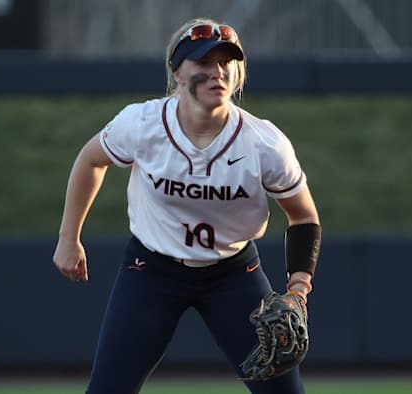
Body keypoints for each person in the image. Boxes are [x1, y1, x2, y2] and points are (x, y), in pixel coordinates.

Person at [52, 17, 321, 394]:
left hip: (234, 273)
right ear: (178, 72)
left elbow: (304, 217)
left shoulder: (264, 144)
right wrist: (69, 237)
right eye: (203, 62)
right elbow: (90, 160)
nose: (218, 72)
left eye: (227, 62)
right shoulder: (143, 124)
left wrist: (298, 289)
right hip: (151, 270)